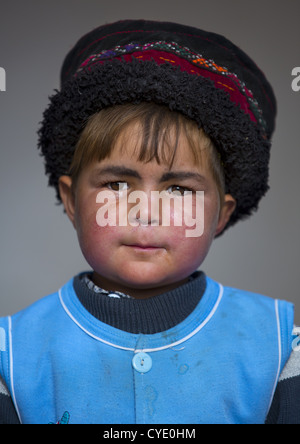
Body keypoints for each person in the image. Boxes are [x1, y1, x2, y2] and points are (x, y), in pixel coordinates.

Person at [0, 19, 299, 425]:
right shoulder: (12, 356)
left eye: (178, 189)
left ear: (219, 216)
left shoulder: (280, 349)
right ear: (71, 200)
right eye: (118, 184)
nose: (146, 211)